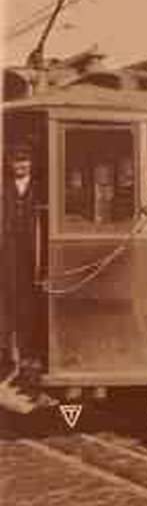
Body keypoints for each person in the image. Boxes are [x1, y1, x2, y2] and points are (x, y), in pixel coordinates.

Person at [1, 142, 44, 381]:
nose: (20, 165)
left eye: (24, 160)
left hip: (32, 250)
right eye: (16, 161)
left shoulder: (40, 189)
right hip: (8, 250)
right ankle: (9, 352)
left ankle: (28, 351)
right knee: (9, 298)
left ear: (31, 163)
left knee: (29, 299)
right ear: (10, 164)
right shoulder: (3, 187)